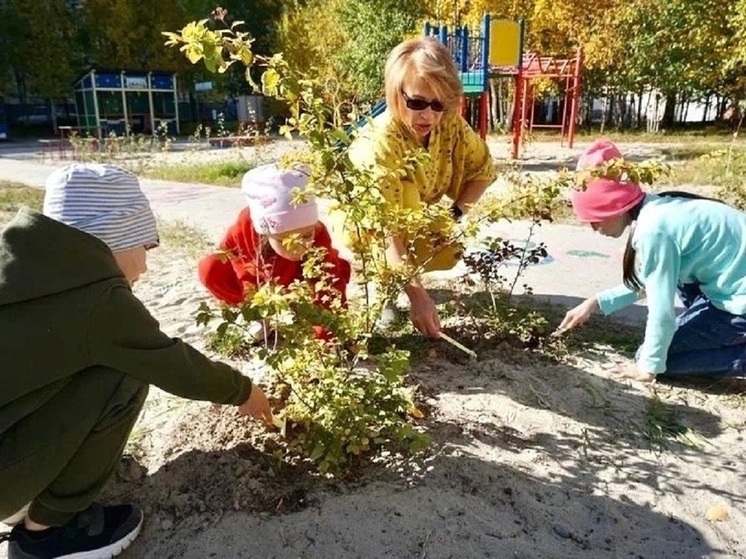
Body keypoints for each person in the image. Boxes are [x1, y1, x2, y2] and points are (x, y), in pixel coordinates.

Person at [0, 164, 273, 559]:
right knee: (122, 376)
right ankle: (48, 533)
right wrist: (243, 390)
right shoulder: (98, 300)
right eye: (145, 246)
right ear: (115, 236)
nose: (145, 265)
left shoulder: (20, 266)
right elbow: (173, 365)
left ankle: (33, 490)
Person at [341, 36, 497, 338]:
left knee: (445, 247)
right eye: (417, 102)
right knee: (399, 222)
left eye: (438, 104)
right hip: (368, 221)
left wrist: (453, 214)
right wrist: (419, 297)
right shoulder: (379, 144)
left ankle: (404, 279)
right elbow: (387, 230)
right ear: (395, 93)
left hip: (410, 215)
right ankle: (384, 287)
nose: (428, 115)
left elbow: (484, 170)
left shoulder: (448, 123)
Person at [558, 139, 746, 381]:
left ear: (613, 207)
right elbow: (650, 279)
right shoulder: (658, 207)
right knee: (663, 335)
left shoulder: (653, 232)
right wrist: (594, 303)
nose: (594, 229)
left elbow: (661, 310)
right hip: (731, 284)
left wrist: (647, 368)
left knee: (657, 361)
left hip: (739, 301)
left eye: (595, 219)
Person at [198, 163, 351, 341]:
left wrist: (327, 333)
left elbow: (328, 285)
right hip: (259, 286)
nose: (299, 246)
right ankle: (259, 317)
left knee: (324, 326)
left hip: (300, 288)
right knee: (209, 267)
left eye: (306, 235)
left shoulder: (318, 233)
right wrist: (256, 304)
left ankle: (294, 317)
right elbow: (230, 257)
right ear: (266, 232)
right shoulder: (245, 227)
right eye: (285, 240)